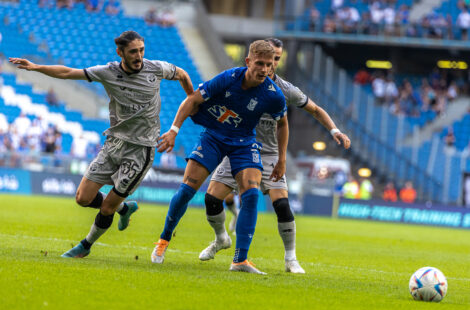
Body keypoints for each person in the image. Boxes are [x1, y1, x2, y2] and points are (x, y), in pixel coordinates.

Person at [9, 30, 194, 258]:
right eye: (133, 52)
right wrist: (36, 67)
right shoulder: (108, 72)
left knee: (107, 207)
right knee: (82, 198)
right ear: (120, 53)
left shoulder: (156, 68)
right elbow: (68, 72)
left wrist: (192, 98)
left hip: (141, 149)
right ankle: (125, 208)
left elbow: (183, 74)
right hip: (114, 144)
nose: (139, 56)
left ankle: (84, 246)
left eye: (141, 50)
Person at [198, 38, 351, 274]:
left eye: (276, 60)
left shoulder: (285, 90)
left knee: (282, 205)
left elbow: (315, 110)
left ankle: (291, 259)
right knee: (211, 199)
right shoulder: (238, 81)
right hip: (238, 147)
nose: (271, 65)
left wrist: (335, 130)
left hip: (268, 154)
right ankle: (220, 239)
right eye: (268, 60)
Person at [152, 40, 288, 275]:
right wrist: (174, 131)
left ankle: (240, 260)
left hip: (244, 142)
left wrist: (282, 158)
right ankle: (163, 242)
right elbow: (193, 100)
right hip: (214, 137)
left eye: (269, 64)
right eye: (259, 63)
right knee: (187, 191)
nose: (265, 69)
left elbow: (283, 124)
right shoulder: (228, 78)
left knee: (252, 194)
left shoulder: (274, 95)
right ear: (248, 62)